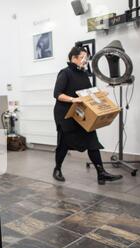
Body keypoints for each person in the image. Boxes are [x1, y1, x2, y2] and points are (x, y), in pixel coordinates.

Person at [53, 46, 123, 185]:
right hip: (66, 115)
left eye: (86, 58)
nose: (85, 61)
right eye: (83, 58)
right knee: (63, 145)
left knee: (92, 142)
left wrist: (100, 95)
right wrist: (73, 99)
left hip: (81, 114)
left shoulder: (84, 74)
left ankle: (101, 173)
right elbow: (57, 94)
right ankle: (57, 169)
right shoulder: (65, 73)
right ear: (74, 58)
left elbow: (88, 93)